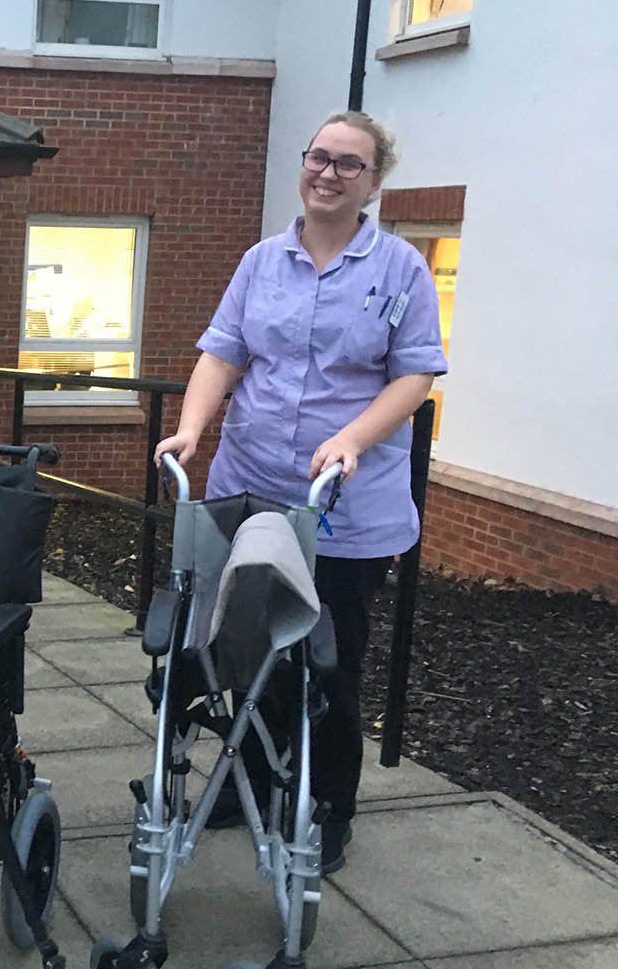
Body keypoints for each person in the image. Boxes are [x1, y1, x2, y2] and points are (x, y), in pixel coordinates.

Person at [154, 111, 447, 874]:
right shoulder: (261, 261)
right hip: (249, 491)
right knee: (245, 648)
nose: (328, 173)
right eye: (320, 157)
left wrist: (352, 438)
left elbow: (415, 374)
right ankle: (250, 780)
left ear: (374, 182)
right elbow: (222, 355)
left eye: (349, 163)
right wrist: (191, 429)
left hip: (344, 510)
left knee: (327, 663)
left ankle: (325, 807)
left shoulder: (401, 269)